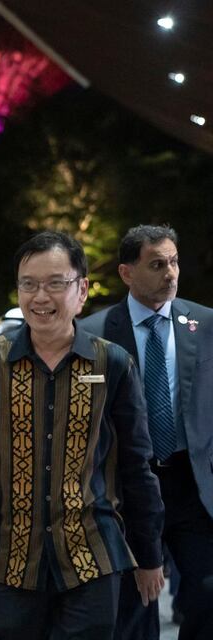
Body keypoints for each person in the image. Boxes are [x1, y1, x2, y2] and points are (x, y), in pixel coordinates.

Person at [0, 231, 164, 640]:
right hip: (10, 564)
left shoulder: (112, 363)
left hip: (93, 558)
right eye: (28, 284)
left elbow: (137, 465)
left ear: (81, 289)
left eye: (55, 283)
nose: (40, 297)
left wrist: (150, 555)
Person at [81, 224, 213, 640]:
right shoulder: (93, 332)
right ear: (126, 273)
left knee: (207, 597)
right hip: (128, 489)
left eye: (173, 262)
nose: (171, 273)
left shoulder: (205, 324)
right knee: (135, 606)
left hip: (194, 487)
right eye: (157, 264)